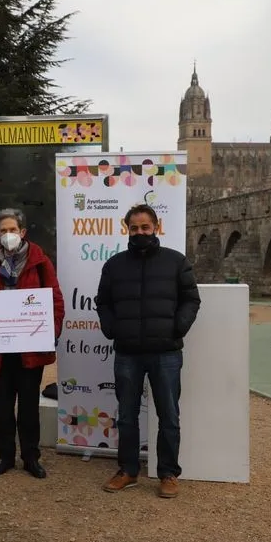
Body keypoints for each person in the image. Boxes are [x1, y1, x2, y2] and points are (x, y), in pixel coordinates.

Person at [94, 204, 201, 498]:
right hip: (127, 352)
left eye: (145, 227)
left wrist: (177, 328)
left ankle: (168, 473)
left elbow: (191, 299)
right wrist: (112, 328)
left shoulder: (176, 262)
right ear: (126, 229)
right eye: (134, 228)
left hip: (166, 353)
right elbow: (103, 302)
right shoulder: (114, 265)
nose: (140, 233)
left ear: (157, 226)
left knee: (169, 415)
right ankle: (128, 470)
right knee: (127, 415)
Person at [0, 209, 64, 479]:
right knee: (2, 408)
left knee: (28, 407)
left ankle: (31, 457)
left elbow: (55, 299)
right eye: (3, 231)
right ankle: (5, 457)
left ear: (23, 232)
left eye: (12, 230)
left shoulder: (40, 261)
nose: (8, 235)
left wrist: (52, 332)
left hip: (30, 349)